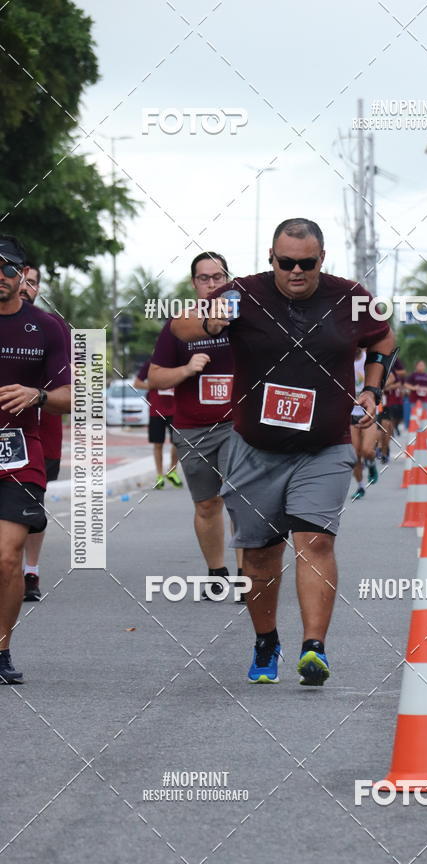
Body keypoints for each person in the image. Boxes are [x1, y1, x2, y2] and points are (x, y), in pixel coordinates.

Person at [171, 218, 394, 686]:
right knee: (259, 555)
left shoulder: (349, 296)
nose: (296, 271)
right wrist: (212, 320)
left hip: (325, 446)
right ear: (271, 258)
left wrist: (373, 389)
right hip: (255, 448)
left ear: (322, 260)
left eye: (306, 264)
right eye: (286, 262)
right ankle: (266, 640)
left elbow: (383, 339)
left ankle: (314, 648)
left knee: (315, 541)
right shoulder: (242, 293)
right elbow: (181, 327)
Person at [149, 251, 243, 600]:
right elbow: (155, 377)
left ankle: (247, 575)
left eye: (218, 277)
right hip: (193, 428)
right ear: (194, 284)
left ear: (229, 280)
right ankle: (217, 573)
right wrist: (187, 370)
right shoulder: (180, 324)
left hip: (238, 425)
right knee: (207, 504)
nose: (212, 284)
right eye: (205, 278)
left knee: (241, 500)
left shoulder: (245, 320)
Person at [0, 236, 71, 683]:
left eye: (6, 269)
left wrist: (38, 394)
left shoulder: (46, 328)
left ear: (22, 275)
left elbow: (72, 396)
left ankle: (1, 650)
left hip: (20, 454)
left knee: (7, 558)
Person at [19, 263, 71, 602]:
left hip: (41, 436)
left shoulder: (52, 328)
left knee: (31, 508)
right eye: (18, 279)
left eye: (32, 282)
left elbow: (69, 385)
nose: (25, 287)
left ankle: (30, 573)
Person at [133, 358, 182, 490]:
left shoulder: (178, 363)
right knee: (158, 444)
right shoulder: (151, 364)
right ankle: (159, 475)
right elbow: (137, 383)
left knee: (177, 442)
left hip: (175, 409)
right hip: (156, 410)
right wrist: (153, 385)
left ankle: (172, 471)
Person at [350, 348, 378, 500]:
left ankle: (372, 464)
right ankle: (360, 487)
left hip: (368, 411)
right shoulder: (344, 359)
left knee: (367, 450)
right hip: (349, 413)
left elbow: (387, 378)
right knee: (355, 455)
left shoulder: (369, 359)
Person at [379, 352, 406, 463]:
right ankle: (379, 449)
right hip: (373, 403)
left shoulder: (391, 369)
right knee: (379, 429)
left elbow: (397, 381)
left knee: (386, 428)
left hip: (387, 404)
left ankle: (384, 452)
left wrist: (382, 386)